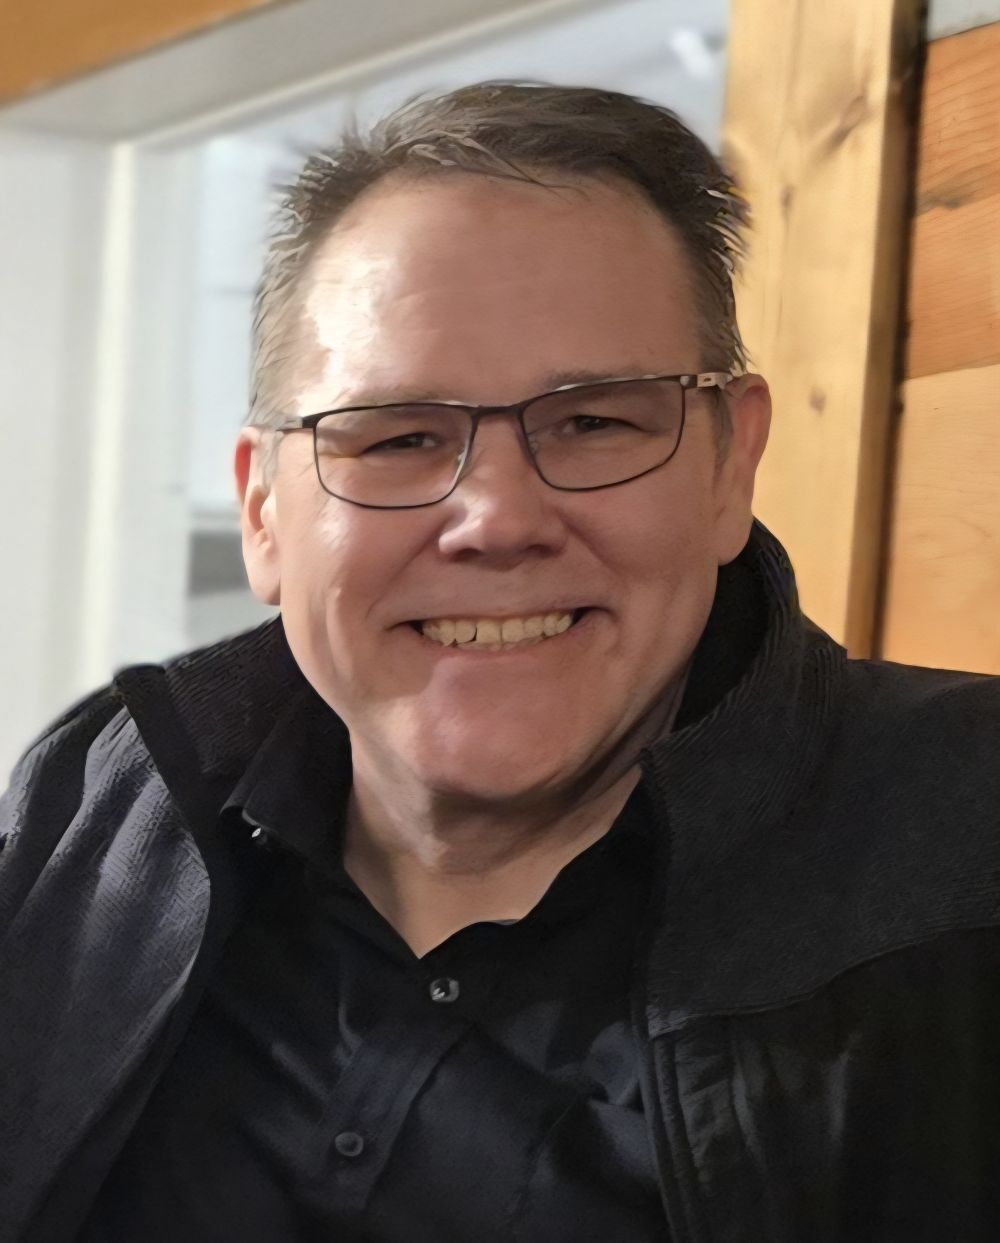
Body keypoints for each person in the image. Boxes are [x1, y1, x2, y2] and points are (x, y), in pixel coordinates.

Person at [1, 82, 998, 1243]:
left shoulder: (972, 839)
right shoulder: (105, 797)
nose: (495, 516)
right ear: (264, 510)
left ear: (732, 467)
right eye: (398, 436)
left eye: (595, 423)